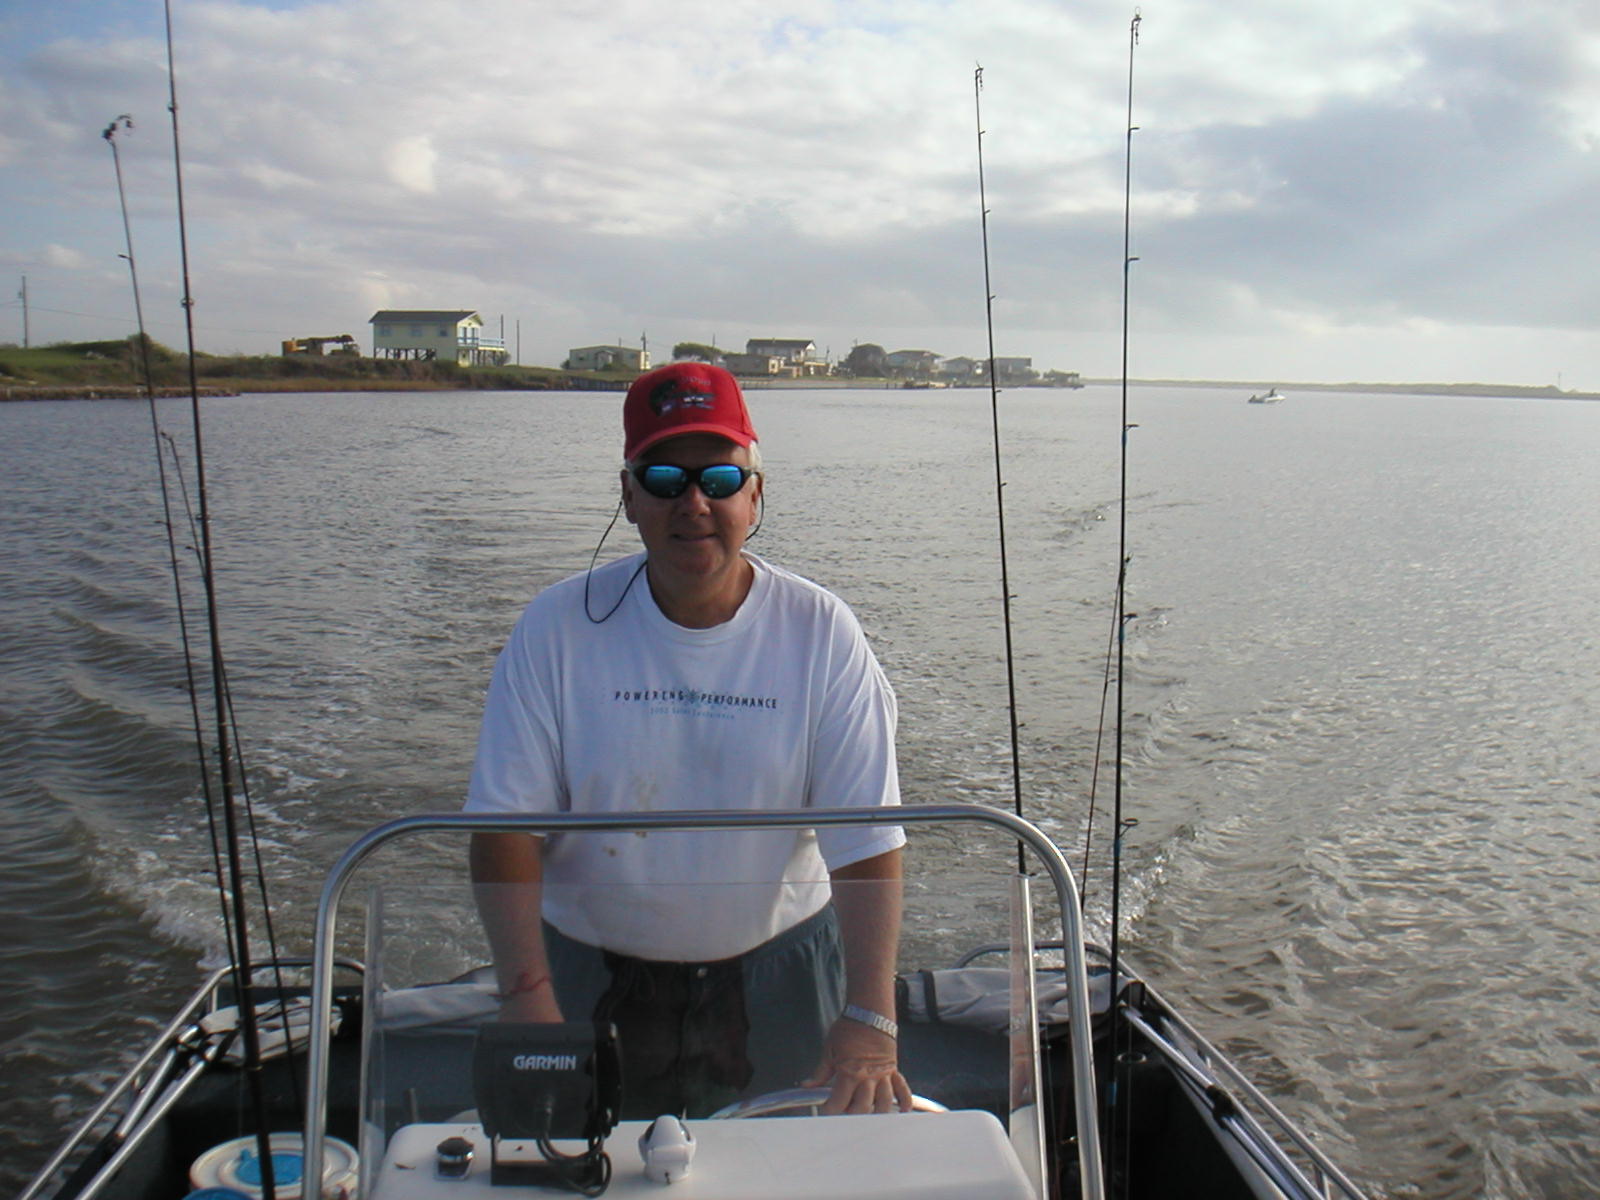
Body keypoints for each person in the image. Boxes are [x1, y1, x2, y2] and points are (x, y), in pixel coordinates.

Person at [466, 361, 911, 1119]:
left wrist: (869, 1017)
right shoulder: (555, 627)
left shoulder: (821, 632)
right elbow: (506, 826)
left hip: (782, 976)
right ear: (630, 495)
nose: (694, 503)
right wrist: (527, 996)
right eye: (666, 477)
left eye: (721, 479)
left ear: (756, 495)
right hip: (592, 976)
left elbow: (866, 839)